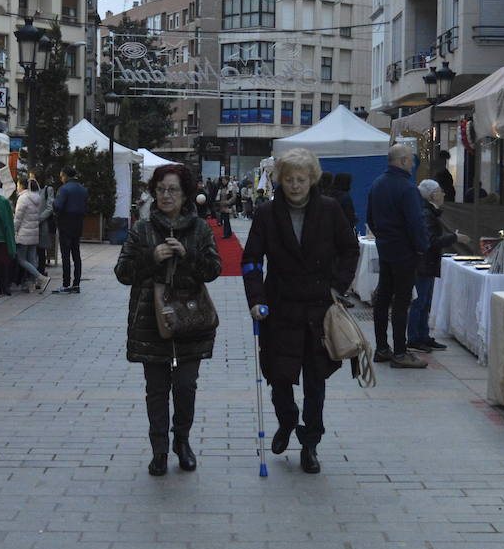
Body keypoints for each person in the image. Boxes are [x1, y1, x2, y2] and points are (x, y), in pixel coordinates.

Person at [243, 149, 359, 474]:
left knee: (315, 381)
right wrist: (255, 298)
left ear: (312, 180)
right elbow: (252, 259)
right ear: (280, 180)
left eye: (301, 179)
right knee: (279, 375)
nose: (295, 185)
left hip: (317, 310)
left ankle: (310, 442)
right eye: (289, 179)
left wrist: (338, 285)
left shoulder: (329, 209)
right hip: (278, 308)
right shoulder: (266, 214)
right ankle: (287, 420)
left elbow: (349, 248)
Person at [115, 164, 222, 476]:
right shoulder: (141, 230)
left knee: (186, 386)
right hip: (151, 320)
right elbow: (122, 273)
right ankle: (159, 450)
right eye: (161, 189)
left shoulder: (200, 230)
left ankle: (183, 442)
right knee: (157, 389)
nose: (166, 195)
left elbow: (213, 270)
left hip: (191, 320)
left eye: (173, 189)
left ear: (185, 194)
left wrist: (187, 254)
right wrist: (152, 257)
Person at [367, 143, 430, 367]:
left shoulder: (377, 184)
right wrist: (422, 246)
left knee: (383, 298)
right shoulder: (407, 187)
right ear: (402, 160)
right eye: (411, 159)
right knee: (402, 302)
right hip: (404, 251)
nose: (412, 164)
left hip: (386, 249)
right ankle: (401, 353)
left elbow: (370, 218)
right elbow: (415, 222)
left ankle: (382, 348)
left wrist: (383, 238)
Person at [407, 180, 469, 353]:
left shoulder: (428, 211)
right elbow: (430, 242)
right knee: (419, 302)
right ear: (433, 194)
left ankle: (423, 335)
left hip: (427, 263)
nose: (444, 194)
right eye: (441, 191)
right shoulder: (427, 213)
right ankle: (414, 338)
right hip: (423, 264)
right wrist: (454, 238)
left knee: (425, 303)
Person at [12, 176, 51, 293]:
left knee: (21, 259)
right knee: (32, 259)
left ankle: (41, 278)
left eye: (18, 185)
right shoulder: (36, 198)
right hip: (34, 233)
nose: (17, 187)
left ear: (22, 186)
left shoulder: (23, 199)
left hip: (24, 234)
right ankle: (31, 284)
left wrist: (13, 231)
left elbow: (18, 219)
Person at [52, 166, 87, 294]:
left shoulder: (64, 189)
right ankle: (76, 283)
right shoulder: (83, 189)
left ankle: (66, 283)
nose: (61, 179)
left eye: (61, 176)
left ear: (66, 176)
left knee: (65, 255)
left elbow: (58, 206)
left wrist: (53, 204)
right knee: (76, 254)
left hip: (65, 223)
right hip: (78, 224)